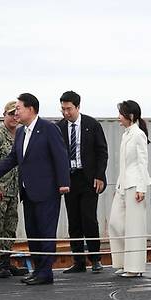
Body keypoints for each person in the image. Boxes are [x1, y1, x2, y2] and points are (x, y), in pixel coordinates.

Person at [0, 93, 70, 285]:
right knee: (33, 232)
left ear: (31, 109)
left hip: (47, 191)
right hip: (28, 192)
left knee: (45, 232)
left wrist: (64, 182)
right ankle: (38, 270)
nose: (16, 112)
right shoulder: (20, 132)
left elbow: (60, 156)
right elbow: (14, 157)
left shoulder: (48, 129)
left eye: (18, 108)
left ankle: (46, 273)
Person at [56, 91, 108, 274]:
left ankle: (95, 258)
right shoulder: (59, 127)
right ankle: (78, 260)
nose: (66, 113)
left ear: (78, 107)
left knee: (89, 219)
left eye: (69, 109)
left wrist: (100, 175)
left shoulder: (91, 125)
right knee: (74, 221)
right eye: (63, 109)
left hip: (88, 178)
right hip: (69, 179)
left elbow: (102, 151)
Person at [0, 101, 28, 278]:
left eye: (16, 114)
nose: (14, 118)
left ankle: (5, 260)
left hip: (13, 189)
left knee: (9, 226)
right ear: (4, 115)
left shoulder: (21, 134)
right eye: (10, 114)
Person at [108, 100, 151, 278]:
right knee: (115, 223)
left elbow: (142, 162)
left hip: (135, 185)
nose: (118, 117)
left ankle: (134, 267)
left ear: (130, 116)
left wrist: (142, 187)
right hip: (123, 185)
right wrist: (119, 186)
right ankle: (122, 262)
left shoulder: (138, 135)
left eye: (121, 113)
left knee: (135, 228)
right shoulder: (126, 134)